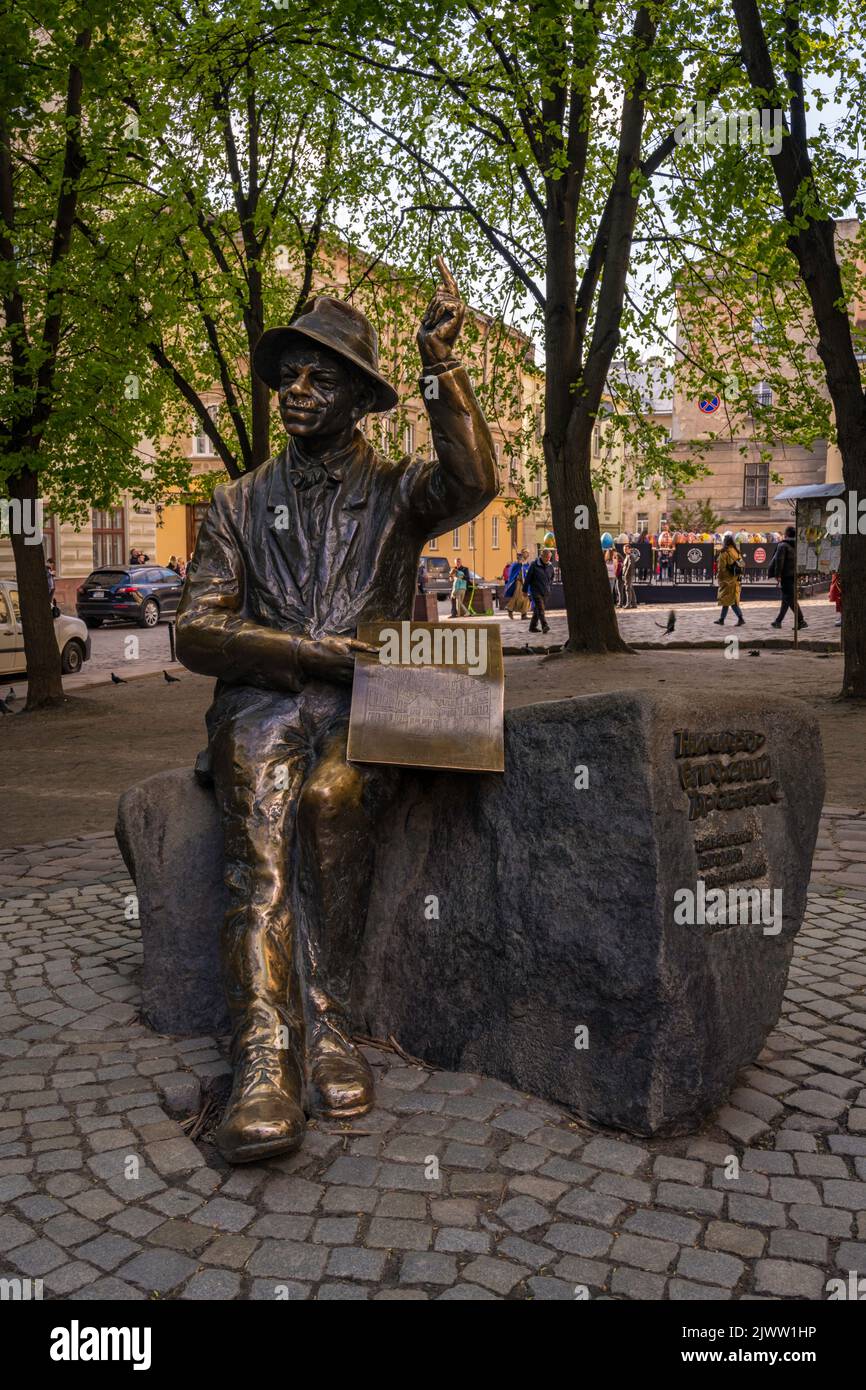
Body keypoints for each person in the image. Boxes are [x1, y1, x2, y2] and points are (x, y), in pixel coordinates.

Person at [176, 267, 498, 1163]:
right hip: (263, 701)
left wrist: (439, 367)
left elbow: (474, 480)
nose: (297, 391)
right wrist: (302, 652)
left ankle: (328, 1023)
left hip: (380, 702)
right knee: (263, 863)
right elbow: (197, 628)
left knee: (332, 802)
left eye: (320, 377)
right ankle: (264, 1060)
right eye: (287, 376)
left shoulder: (398, 491)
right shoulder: (237, 502)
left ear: (360, 396)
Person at [768, 525, 806, 630]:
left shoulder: (783, 545)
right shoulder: (798, 545)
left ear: (786, 534)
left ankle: (801, 620)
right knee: (786, 598)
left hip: (786, 575)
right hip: (794, 574)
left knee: (790, 598)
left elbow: (779, 561)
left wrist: (777, 575)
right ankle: (778, 621)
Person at [714, 531, 745, 626]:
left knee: (731, 601)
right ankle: (721, 619)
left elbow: (721, 568)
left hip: (727, 579)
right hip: (736, 579)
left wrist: (719, 578)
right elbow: (742, 564)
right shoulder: (736, 551)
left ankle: (740, 618)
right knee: (727, 600)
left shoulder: (724, 552)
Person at [525, 547, 553, 633]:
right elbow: (528, 578)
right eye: (546, 557)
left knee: (538, 609)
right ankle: (545, 625)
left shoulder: (550, 566)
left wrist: (549, 588)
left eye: (549, 557)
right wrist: (524, 590)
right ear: (542, 556)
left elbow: (551, 578)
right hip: (536, 591)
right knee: (541, 609)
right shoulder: (534, 565)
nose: (548, 559)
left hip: (545, 591)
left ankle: (532, 627)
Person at [503, 549, 530, 619]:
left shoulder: (527, 564)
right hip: (519, 583)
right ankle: (510, 609)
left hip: (526, 584)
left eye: (528, 553)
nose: (527, 554)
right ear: (522, 554)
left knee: (526, 598)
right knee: (517, 597)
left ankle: (524, 614)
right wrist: (519, 562)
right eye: (525, 553)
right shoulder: (518, 563)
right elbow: (514, 570)